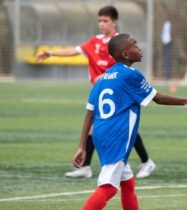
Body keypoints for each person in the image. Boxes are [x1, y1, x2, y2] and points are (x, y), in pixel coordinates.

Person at [72, 33, 187, 210]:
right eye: (135, 45)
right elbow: (159, 99)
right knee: (108, 188)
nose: (139, 48)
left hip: (101, 134)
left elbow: (89, 113)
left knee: (127, 183)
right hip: (116, 136)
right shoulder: (130, 74)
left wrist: (82, 146)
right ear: (125, 53)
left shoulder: (103, 78)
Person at [35, 5, 156, 179]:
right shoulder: (95, 41)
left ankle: (145, 162)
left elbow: (123, 66)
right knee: (103, 126)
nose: (101, 24)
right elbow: (74, 51)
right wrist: (51, 53)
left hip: (119, 91)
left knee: (119, 126)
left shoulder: (120, 43)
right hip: (102, 92)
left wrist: (106, 76)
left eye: (105, 21)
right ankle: (87, 166)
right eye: (99, 20)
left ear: (114, 22)